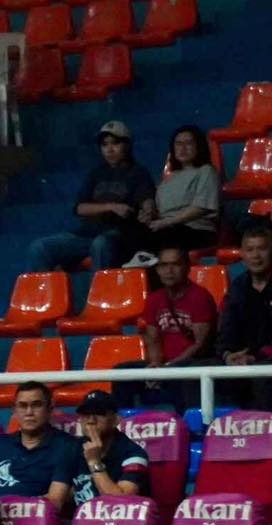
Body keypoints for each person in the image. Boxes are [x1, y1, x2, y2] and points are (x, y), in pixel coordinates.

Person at [27, 121, 156, 273]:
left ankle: (101, 289)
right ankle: (49, 289)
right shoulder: (96, 173)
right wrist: (111, 206)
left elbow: (146, 199)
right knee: (39, 247)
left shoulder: (138, 173)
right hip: (87, 233)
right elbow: (79, 208)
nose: (109, 149)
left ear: (127, 145)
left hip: (119, 234)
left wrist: (148, 210)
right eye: (104, 144)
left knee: (100, 244)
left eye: (115, 143)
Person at [113, 245, 218, 412]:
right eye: (163, 265)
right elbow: (153, 339)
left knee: (183, 375)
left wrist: (169, 368)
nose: (169, 271)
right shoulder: (154, 299)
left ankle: (189, 424)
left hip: (193, 362)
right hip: (165, 364)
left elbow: (200, 344)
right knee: (122, 372)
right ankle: (123, 421)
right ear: (157, 269)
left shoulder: (200, 297)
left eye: (175, 264)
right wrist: (156, 365)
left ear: (187, 268)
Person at [0, 381, 80, 509]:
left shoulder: (66, 446)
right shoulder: (0, 444)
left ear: (50, 409)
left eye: (36, 405)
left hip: (36, 518)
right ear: (14, 411)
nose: (29, 412)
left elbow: (54, 502)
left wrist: (10, 509)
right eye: (23, 406)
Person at [217, 223, 272, 411]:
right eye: (250, 250)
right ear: (242, 254)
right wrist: (228, 355)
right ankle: (202, 427)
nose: (256, 256)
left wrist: (256, 357)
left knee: (261, 378)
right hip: (244, 357)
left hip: (266, 360)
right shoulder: (238, 287)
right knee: (193, 371)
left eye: (262, 249)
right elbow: (227, 330)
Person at [144, 125, 220, 256]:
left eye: (188, 143)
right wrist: (148, 216)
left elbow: (201, 207)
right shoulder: (168, 179)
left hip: (196, 230)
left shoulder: (206, 171)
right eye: (178, 144)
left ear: (198, 146)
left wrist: (167, 222)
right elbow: (160, 212)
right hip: (167, 227)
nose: (182, 148)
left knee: (165, 236)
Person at [69, 390, 151, 507]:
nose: (91, 420)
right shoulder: (72, 448)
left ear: (116, 420)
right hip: (81, 517)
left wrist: (94, 462)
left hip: (120, 518)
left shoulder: (134, 454)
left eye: (99, 413)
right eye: (85, 414)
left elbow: (120, 503)